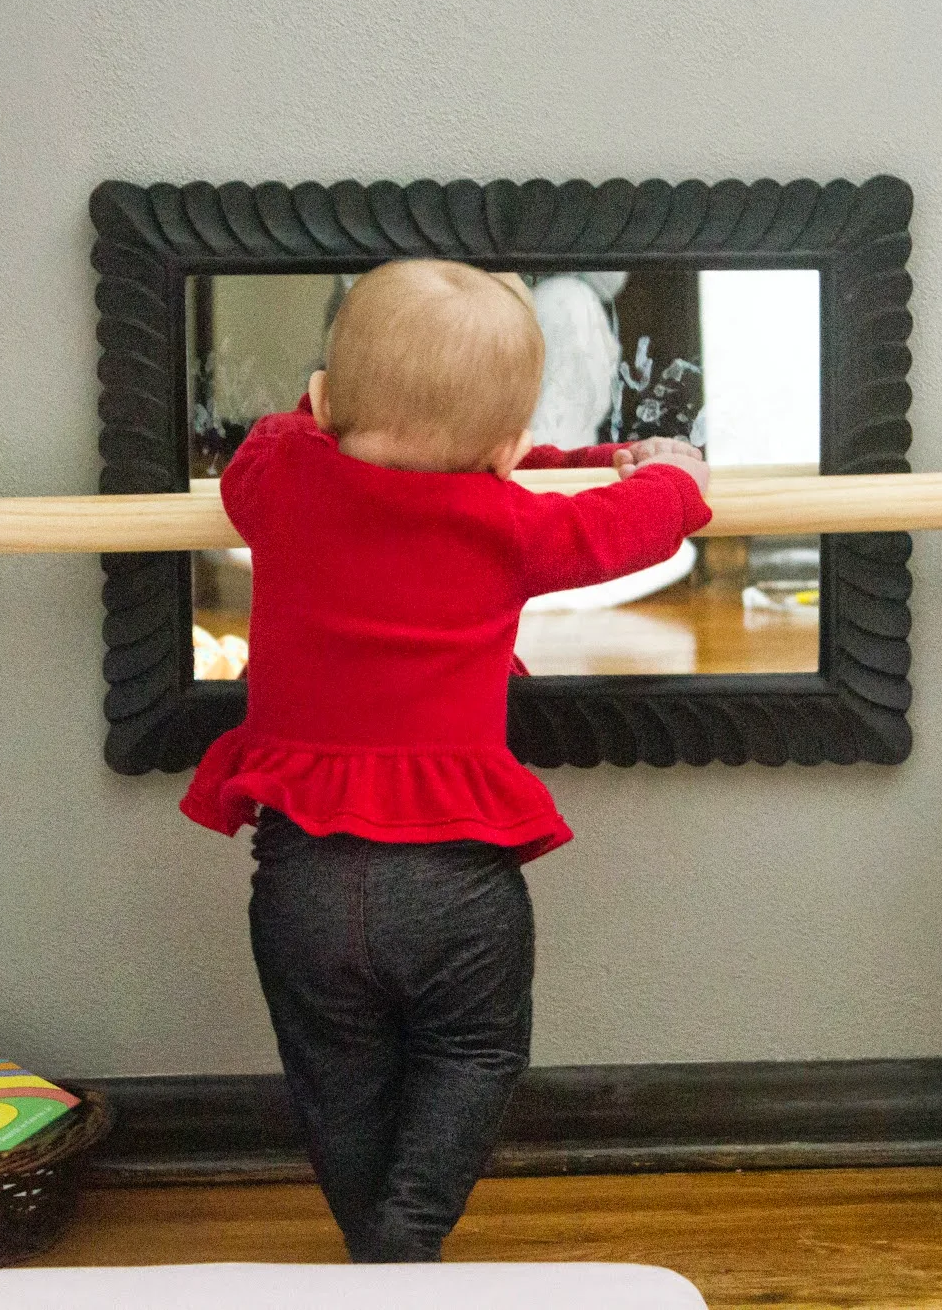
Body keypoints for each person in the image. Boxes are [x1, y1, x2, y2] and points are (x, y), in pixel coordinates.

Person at [180, 259, 709, 1262]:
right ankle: (409, 1236)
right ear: (509, 450)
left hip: (302, 885)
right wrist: (673, 477)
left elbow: (274, 439)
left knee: (336, 1080)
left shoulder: (280, 479)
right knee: (474, 1054)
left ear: (329, 400)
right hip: (455, 886)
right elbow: (625, 528)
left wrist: (327, 407)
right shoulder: (509, 521)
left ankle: (382, 1260)